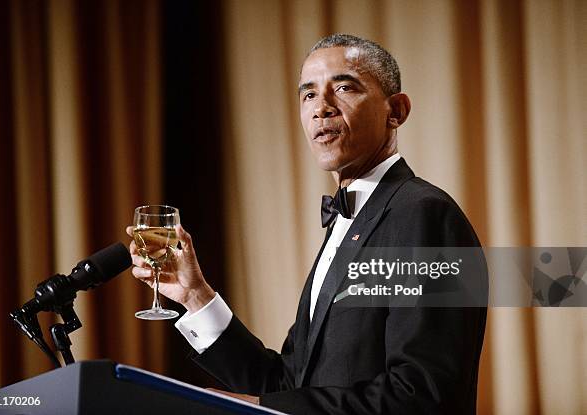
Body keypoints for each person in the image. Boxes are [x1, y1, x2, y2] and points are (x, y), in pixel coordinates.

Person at [128, 34, 487, 414]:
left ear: (395, 111)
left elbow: (424, 395)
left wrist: (262, 405)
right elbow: (287, 385)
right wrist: (194, 295)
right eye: (308, 95)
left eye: (344, 87)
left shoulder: (424, 214)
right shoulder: (346, 223)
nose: (322, 108)